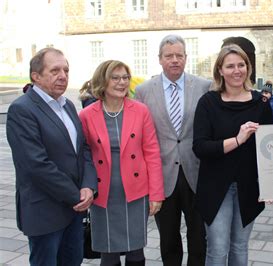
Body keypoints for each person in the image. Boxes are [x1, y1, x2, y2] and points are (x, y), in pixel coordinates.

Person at [6, 47, 98, 266]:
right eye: (55, 70)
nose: (63, 76)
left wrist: (88, 186)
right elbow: (36, 165)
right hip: (45, 212)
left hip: (74, 211)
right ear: (36, 76)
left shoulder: (67, 106)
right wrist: (75, 195)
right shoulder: (22, 110)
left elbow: (83, 148)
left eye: (66, 70)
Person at [193, 44, 273, 265]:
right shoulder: (208, 102)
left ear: (248, 68)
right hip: (216, 187)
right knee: (217, 250)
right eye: (230, 66)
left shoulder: (261, 103)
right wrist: (238, 140)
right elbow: (200, 147)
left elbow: (268, 148)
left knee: (240, 248)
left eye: (241, 65)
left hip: (249, 187)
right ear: (220, 70)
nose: (237, 70)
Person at [79, 60, 165, 266]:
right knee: (108, 252)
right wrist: (85, 187)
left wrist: (156, 194)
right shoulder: (86, 115)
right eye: (115, 78)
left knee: (136, 251)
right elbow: (83, 155)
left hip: (135, 192)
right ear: (103, 81)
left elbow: (152, 153)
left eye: (125, 78)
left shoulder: (141, 110)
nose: (122, 82)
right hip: (103, 193)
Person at [135, 34, 210, 266]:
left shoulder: (204, 86)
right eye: (169, 56)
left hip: (196, 172)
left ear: (186, 58)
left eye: (179, 55)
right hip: (162, 175)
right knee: (168, 238)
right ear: (160, 59)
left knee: (198, 236)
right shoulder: (144, 91)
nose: (174, 60)